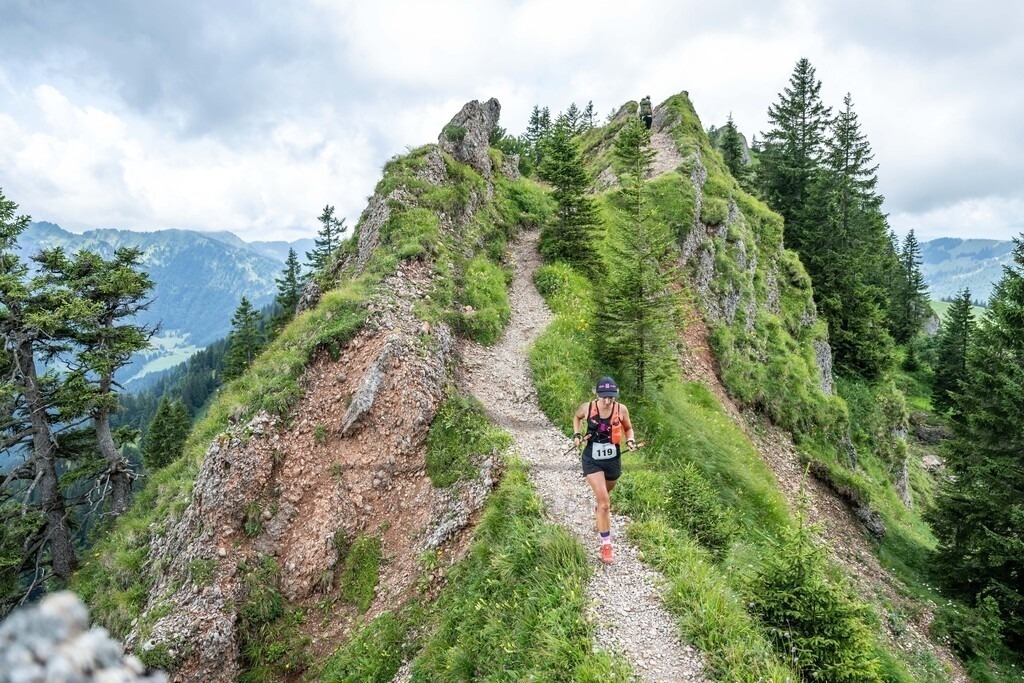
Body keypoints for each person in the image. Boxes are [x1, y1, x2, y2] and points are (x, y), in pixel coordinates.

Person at [573, 376, 637, 564]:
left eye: (611, 397)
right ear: (597, 394)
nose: (608, 401)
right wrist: (577, 434)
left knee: (604, 499)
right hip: (592, 459)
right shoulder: (588, 408)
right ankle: (606, 546)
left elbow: (628, 428)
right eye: (604, 397)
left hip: (613, 461)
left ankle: (600, 510)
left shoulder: (621, 409)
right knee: (605, 504)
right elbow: (577, 417)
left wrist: (630, 440)